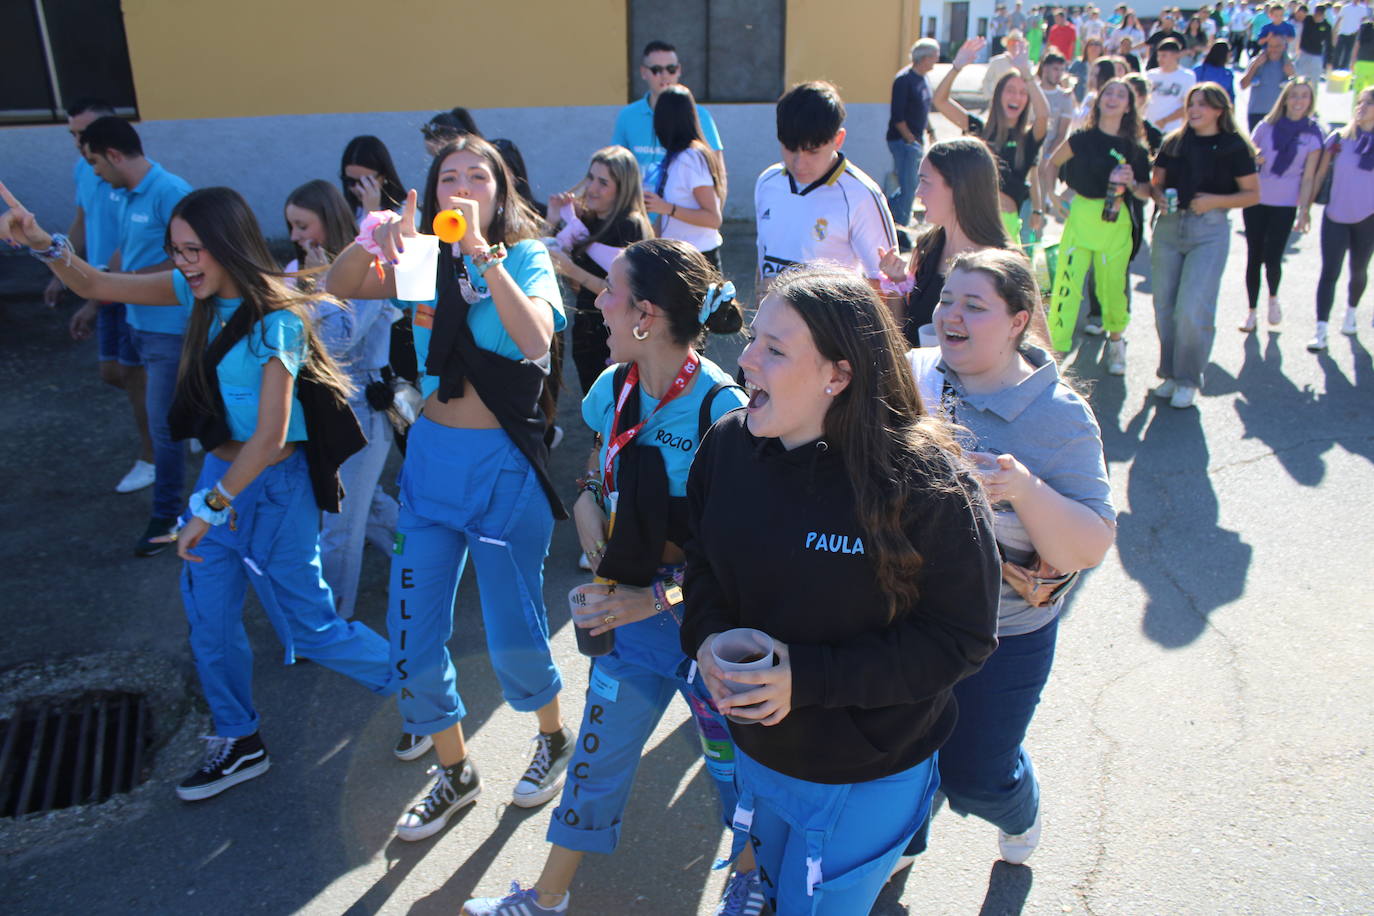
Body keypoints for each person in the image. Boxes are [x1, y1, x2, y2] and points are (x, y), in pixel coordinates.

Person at [1, 183, 396, 799]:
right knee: (208, 621)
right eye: (176, 251)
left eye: (193, 251)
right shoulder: (192, 292)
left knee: (313, 626)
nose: (183, 264)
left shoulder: (280, 317)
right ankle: (240, 739)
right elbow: (98, 284)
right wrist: (43, 244)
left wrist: (206, 512)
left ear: (227, 247)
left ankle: (423, 693)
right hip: (220, 480)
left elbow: (269, 440)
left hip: (275, 485)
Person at [680, 265, 1001, 916]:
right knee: (773, 889)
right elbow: (702, 565)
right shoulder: (726, 448)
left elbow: (961, 639)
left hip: (869, 776)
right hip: (758, 759)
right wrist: (708, 638)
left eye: (774, 349)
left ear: (839, 374)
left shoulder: (926, 486)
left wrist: (807, 678)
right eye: (752, 340)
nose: (743, 361)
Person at [462, 240, 754, 916]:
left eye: (610, 292)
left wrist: (647, 599)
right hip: (628, 630)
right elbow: (599, 464)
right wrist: (591, 502)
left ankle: (750, 892)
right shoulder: (611, 387)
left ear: (645, 315)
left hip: (707, 637)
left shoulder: (722, 412)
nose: (595, 301)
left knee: (736, 777)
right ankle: (545, 898)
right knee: (592, 763)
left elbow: (735, 562)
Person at [326, 134, 573, 839]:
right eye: (447, 178)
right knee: (411, 629)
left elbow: (534, 342)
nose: (461, 187)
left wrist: (483, 257)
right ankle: (455, 769)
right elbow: (340, 283)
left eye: (477, 176)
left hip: (502, 466)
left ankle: (553, 737)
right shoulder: (422, 260)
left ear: (501, 191)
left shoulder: (525, 256)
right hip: (431, 461)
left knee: (512, 629)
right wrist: (381, 235)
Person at [898, 248, 1115, 871]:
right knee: (902, 754)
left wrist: (1024, 489)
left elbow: (1091, 544)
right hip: (906, 618)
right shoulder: (916, 374)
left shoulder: (1059, 418)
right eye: (945, 300)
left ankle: (1017, 804)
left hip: (1004, 634)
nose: (950, 316)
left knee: (975, 774)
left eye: (974, 305)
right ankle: (904, 842)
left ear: (1019, 321)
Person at [282, 179, 401, 619]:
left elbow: (338, 340)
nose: (294, 236)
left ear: (327, 222)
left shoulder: (374, 268)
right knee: (367, 508)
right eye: (290, 226)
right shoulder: (300, 266)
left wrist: (317, 291)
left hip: (363, 412)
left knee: (338, 525)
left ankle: (330, 621)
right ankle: (423, 561)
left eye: (301, 225)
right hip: (323, 408)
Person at [78, 116, 193, 556]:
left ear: (112, 154)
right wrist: (96, 295)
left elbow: (194, 262)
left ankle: (166, 517)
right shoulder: (125, 196)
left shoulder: (171, 193)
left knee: (166, 429)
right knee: (156, 412)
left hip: (170, 332)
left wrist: (120, 283)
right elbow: (125, 254)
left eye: (94, 161)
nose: (93, 172)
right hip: (137, 324)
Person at [56, 99, 152, 497]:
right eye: (75, 136)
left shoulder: (136, 183)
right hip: (102, 283)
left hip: (122, 288)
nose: (81, 145)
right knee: (114, 373)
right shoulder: (87, 169)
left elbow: (130, 245)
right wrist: (62, 264)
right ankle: (181, 416)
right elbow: (82, 221)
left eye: (86, 135)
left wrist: (94, 293)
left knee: (135, 376)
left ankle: (153, 455)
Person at [1150, 83, 1260, 408]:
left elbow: (1253, 194)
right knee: (1164, 307)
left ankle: (1187, 379)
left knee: (1193, 307)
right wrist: (1158, 197)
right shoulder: (1174, 142)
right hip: (1168, 227)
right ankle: (1170, 373)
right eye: (1191, 103)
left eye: (1202, 104)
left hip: (1209, 231)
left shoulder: (1235, 146)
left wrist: (1215, 201)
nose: (1194, 109)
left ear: (1219, 110)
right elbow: (1155, 185)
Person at [1045, 78, 1153, 371]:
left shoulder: (1136, 150)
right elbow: (1051, 163)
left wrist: (1132, 183)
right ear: (1099, 99)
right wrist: (1052, 197)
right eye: (1108, 92)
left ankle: (1116, 343)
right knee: (1066, 284)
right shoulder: (1082, 138)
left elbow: (1145, 192)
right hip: (1081, 217)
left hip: (1116, 223)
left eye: (1121, 94)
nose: (1113, 98)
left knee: (1111, 287)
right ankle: (1054, 354)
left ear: (1130, 105)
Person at [753, 81, 898, 297]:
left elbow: (885, 283)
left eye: (812, 152)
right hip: (774, 327)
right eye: (790, 148)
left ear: (838, 140)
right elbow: (763, 262)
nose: (799, 163)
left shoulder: (861, 195)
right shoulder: (768, 182)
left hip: (830, 329)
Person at [879, 139, 1017, 345]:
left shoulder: (1006, 264)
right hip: (922, 376)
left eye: (925, 182)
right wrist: (897, 282)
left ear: (959, 188)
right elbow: (905, 334)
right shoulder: (927, 246)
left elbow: (1038, 347)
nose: (917, 193)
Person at [546, 146, 653, 393]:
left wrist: (572, 270)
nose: (592, 188)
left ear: (622, 188)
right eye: (591, 177)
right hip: (586, 328)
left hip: (615, 332)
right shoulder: (588, 219)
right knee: (594, 408)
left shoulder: (629, 226)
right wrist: (552, 218)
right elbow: (541, 251)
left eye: (603, 182)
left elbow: (627, 293)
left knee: (617, 408)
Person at [936, 37, 1051, 243]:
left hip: (1005, 226)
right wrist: (957, 66)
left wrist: (1027, 75)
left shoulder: (1028, 137)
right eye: (1010, 90)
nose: (1016, 97)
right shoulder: (979, 129)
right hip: (972, 220)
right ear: (998, 95)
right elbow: (940, 101)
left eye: (1023, 93)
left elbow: (1043, 115)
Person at [1239, 80, 1324, 332]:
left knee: (1273, 257)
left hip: (1285, 202)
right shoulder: (1266, 126)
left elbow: (1308, 177)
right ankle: (1251, 312)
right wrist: (1255, 156)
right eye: (1294, 95)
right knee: (1254, 254)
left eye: (1304, 96)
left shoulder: (1313, 134)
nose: (1299, 101)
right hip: (1256, 198)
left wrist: (1304, 210)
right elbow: (1249, 154)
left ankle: (1273, 298)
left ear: (1310, 101)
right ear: (1285, 99)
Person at [612, 40, 726, 199]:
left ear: (678, 70)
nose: (664, 75)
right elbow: (615, 168)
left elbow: (718, 173)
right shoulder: (627, 116)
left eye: (670, 69)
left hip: (683, 220)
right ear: (644, 72)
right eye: (656, 70)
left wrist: (712, 215)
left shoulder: (700, 116)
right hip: (638, 217)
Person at [1308, 87, 1374, 349]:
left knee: (1358, 270)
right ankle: (1321, 329)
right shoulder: (1338, 138)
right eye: (1360, 102)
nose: (1361, 107)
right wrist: (1304, 210)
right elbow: (1320, 175)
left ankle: (1351, 314)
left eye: (1368, 103)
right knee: (1329, 272)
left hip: (1368, 218)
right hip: (1335, 214)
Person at [643, 85, 725, 264]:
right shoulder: (675, 157)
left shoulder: (692, 157)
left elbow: (713, 218)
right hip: (676, 257)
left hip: (698, 260)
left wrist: (666, 207)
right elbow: (665, 218)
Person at [887, 38, 941, 228]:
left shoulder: (924, 80)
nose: (937, 59)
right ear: (924, 57)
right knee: (909, 187)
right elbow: (897, 116)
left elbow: (924, 110)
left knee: (909, 187)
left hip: (916, 140)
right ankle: (900, 226)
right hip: (903, 142)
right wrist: (911, 140)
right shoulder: (904, 80)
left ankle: (887, 212)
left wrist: (930, 131)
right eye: (935, 55)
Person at [1038, 51, 1078, 202]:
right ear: (1045, 68)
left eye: (1062, 70)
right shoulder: (1031, 91)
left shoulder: (1064, 98)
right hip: (1026, 155)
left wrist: (1047, 158)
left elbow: (1062, 134)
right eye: (1056, 69)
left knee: (1040, 204)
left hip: (1046, 161)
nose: (1059, 74)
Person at [339, 135, 406, 221]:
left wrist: (372, 213)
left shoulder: (404, 210)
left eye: (365, 181)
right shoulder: (343, 212)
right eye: (350, 181)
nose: (357, 188)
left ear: (383, 176)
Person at [1242, 37, 1298, 129]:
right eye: (1271, 46)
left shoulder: (1288, 65)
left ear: (1284, 47)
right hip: (1256, 113)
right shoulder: (1256, 62)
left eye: (1278, 46)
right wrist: (1255, 66)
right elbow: (1243, 85)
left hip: (1280, 114)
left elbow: (1298, 90)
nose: (1274, 49)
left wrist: (1292, 75)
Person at [1146, 39, 1198, 129]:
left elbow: (1188, 104)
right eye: (1158, 56)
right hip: (1148, 127)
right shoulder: (1150, 75)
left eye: (1164, 56)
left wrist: (1165, 120)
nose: (1160, 59)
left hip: (1172, 128)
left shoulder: (1187, 76)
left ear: (1176, 56)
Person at [1297, 4, 1335, 81]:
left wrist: (1329, 60)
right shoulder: (1307, 19)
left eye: (1320, 14)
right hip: (1304, 52)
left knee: (1314, 79)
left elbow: (1329, 43)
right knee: (1300, 77)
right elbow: (1298, 17)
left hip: (1316, 55)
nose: (1317, 16)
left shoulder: (1327, 26)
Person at [1334, 0, 1372, 69]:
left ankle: (1343, 68)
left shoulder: (1362, 8)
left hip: (1354, 33)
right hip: (1343, 32)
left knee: (1348, 53)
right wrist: (1335, 31)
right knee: (1338, 51)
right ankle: (1335, 68)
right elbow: (1339, 18)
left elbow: (1364, 20)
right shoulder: (1345, 7)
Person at [1353, 21, 1374, 100]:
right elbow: (1357, 44)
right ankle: (1357, 109)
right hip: (1362, 62)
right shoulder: (1365, 26)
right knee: (1359, 90)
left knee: (1372, 92)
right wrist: (1353, 60)